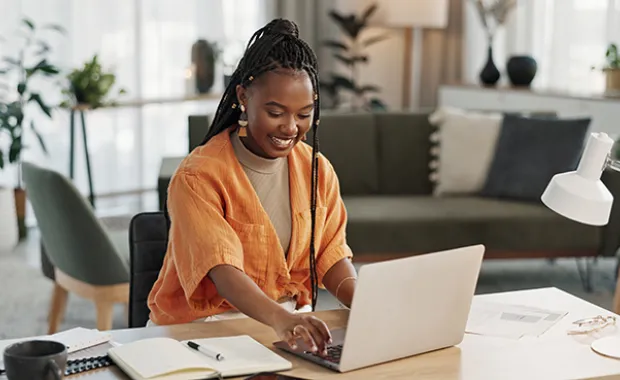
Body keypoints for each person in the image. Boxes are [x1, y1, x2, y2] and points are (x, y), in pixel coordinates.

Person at [146, 18, 358, 355]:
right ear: (243, 96)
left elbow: (329, 255)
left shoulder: (316, 169)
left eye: (304, 114)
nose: (291, 128)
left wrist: (363, 301)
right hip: (204, 330)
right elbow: (222, 270)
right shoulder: (198, 176)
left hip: (285, 324)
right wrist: (281, 320)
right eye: (276, 112)